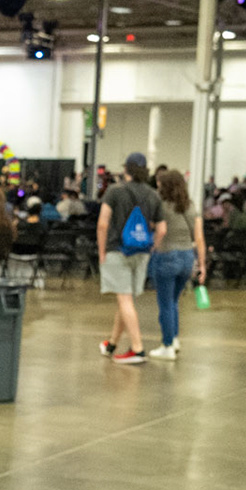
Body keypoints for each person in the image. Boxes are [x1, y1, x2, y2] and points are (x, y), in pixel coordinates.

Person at [96, 152, 165, 365]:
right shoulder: (153, 195)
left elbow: (103, 224)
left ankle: (137, 349)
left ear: (126, 169)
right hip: (141, 252)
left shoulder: (115, 191)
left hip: (118, 250)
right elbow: (162, 229)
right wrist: (152, 247)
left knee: (124, 299)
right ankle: (112, 344)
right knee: (126, 299)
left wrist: (102, 251)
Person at [147, 169, 206, 360]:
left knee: (165, 304)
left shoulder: (161, 206)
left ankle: (167, 346)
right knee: (174, 301)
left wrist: (152, 248)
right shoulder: (190, 206)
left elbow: (158, 229)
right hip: (187, 257)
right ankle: (174, 338)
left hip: (166, 256)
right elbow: (199, 238)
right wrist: (202, 264)